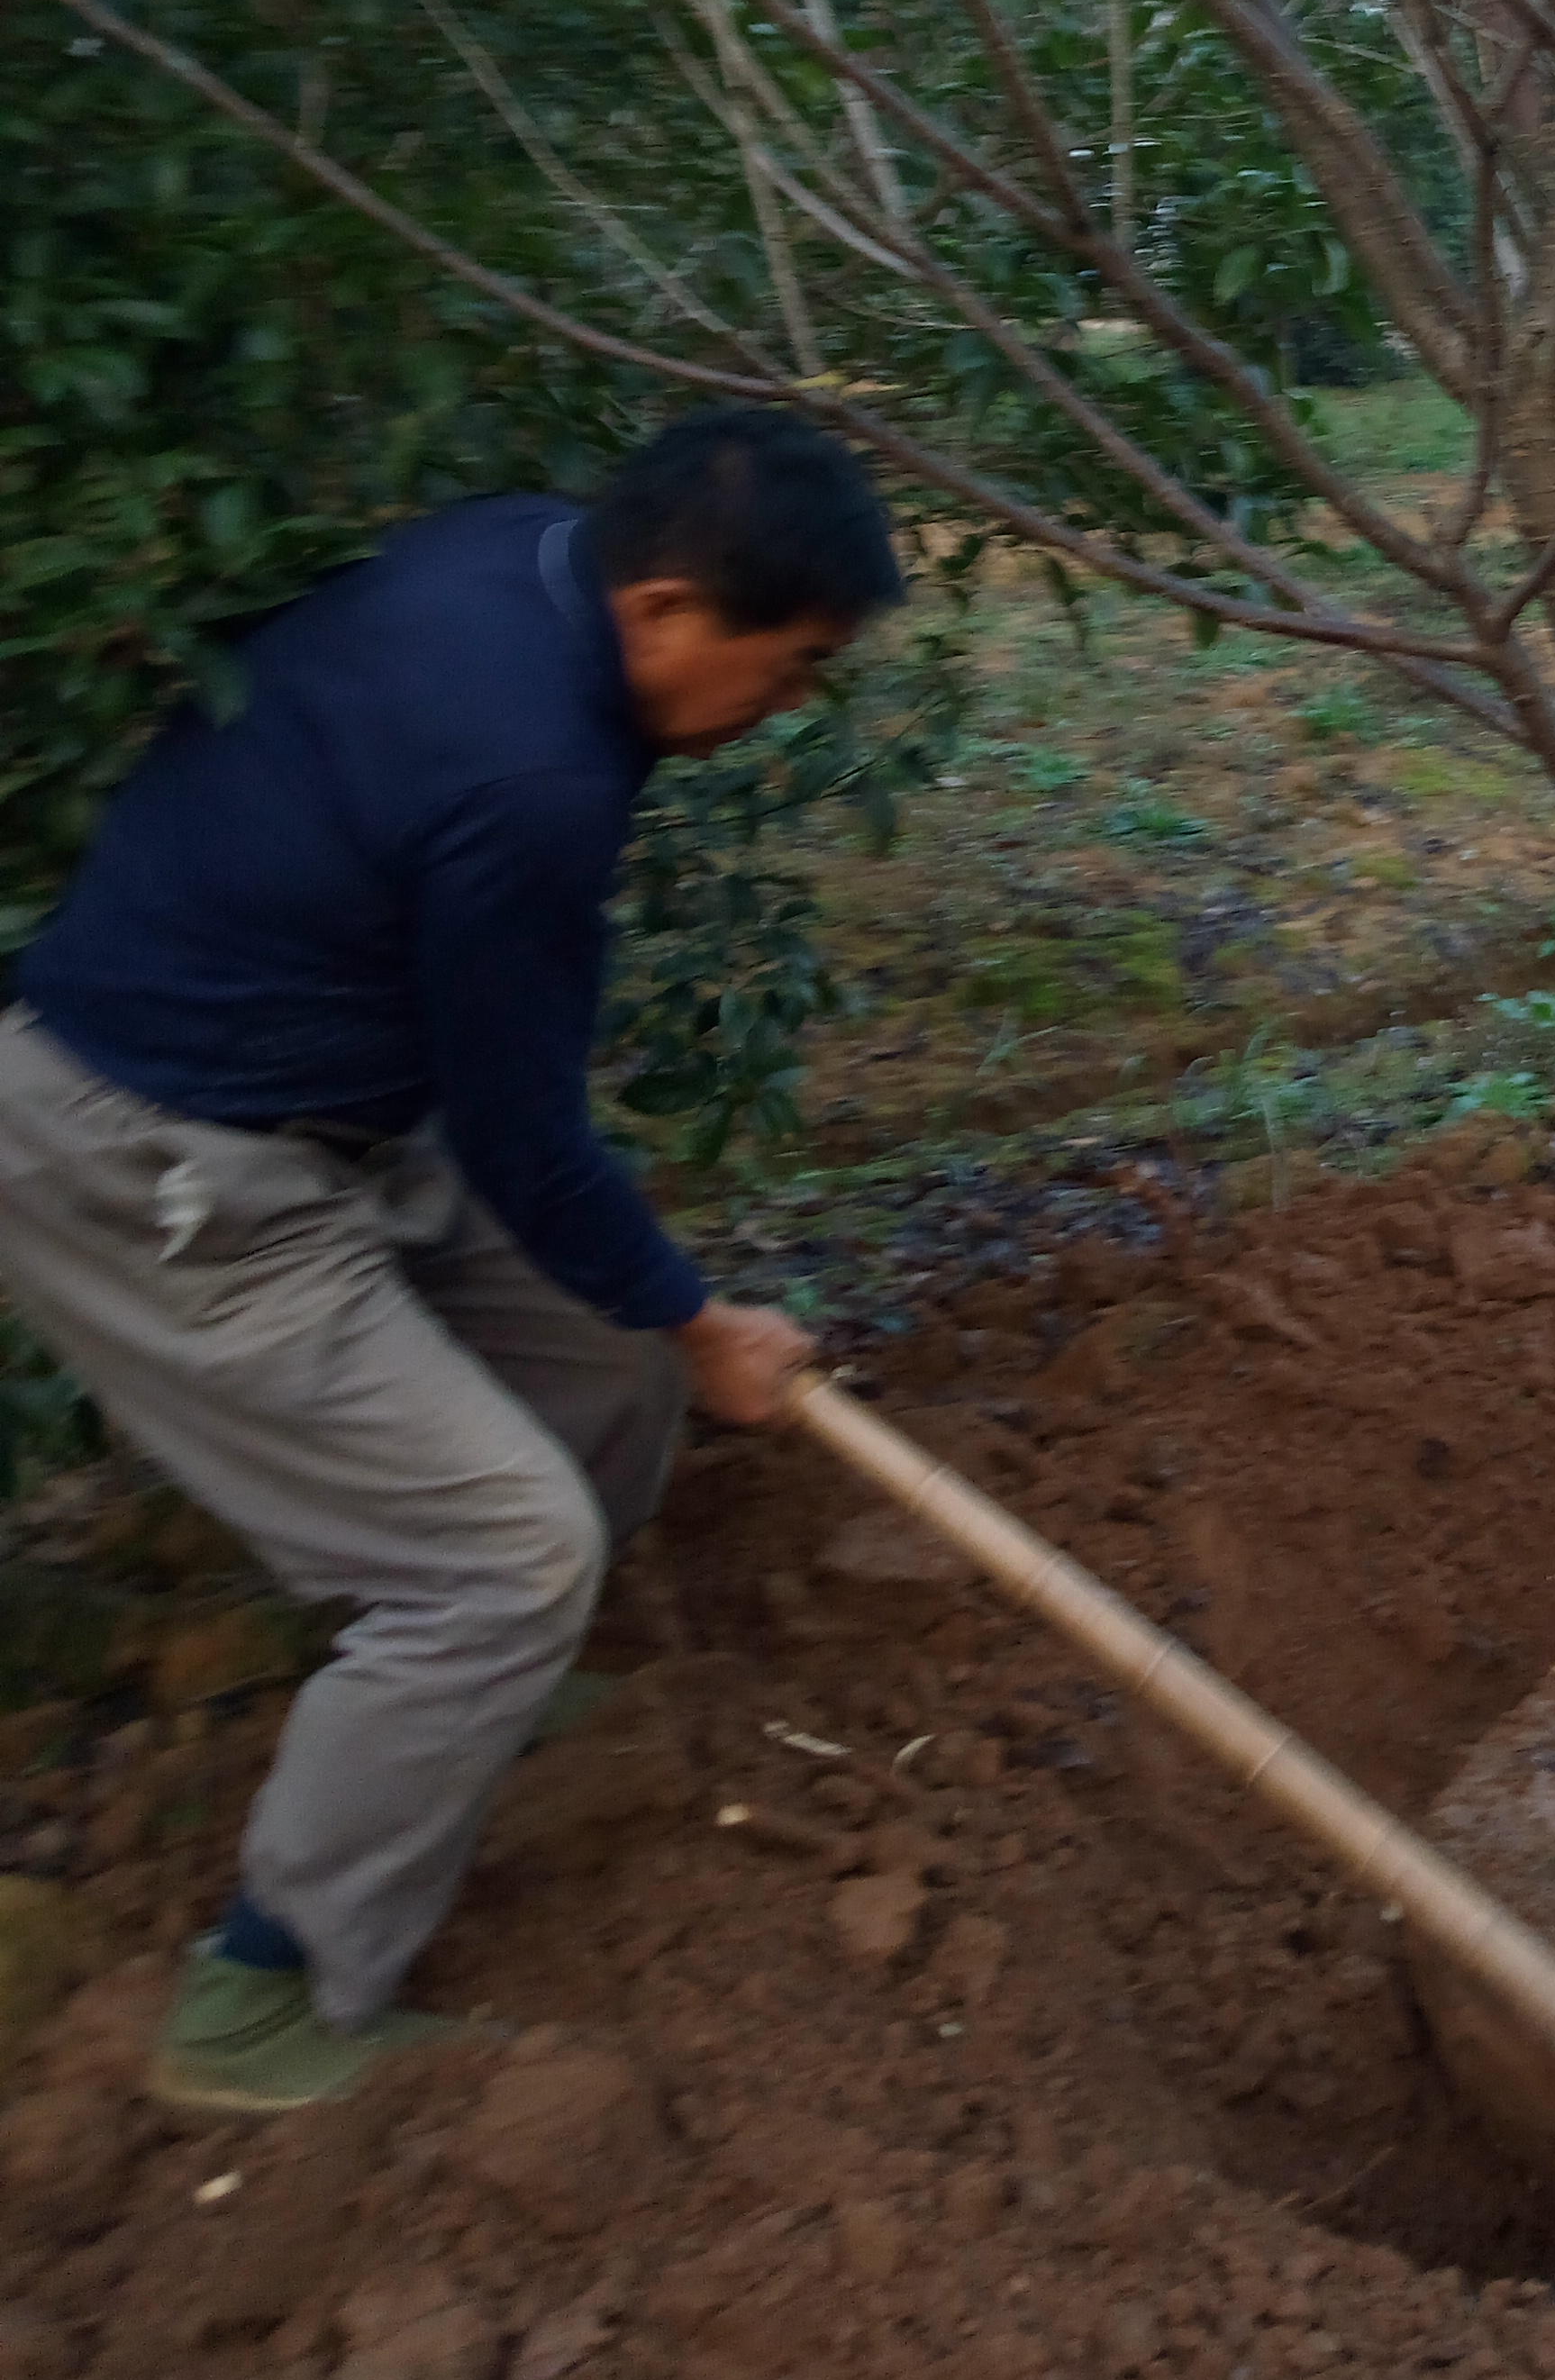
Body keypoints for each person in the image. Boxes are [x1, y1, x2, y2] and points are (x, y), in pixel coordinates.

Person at [0, 403, 903, 2112]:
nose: (790, 707)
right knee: (500, 1558)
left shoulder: (516, 552)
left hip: (319, 1091)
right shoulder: (536, 780)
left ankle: (472, 1701)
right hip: (152, 1163)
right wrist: (713, 1322)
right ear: (665, 613)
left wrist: (663, 1322)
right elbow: (524, 1134)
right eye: (789, 668)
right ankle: (264, 2005)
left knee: (604, 1350)